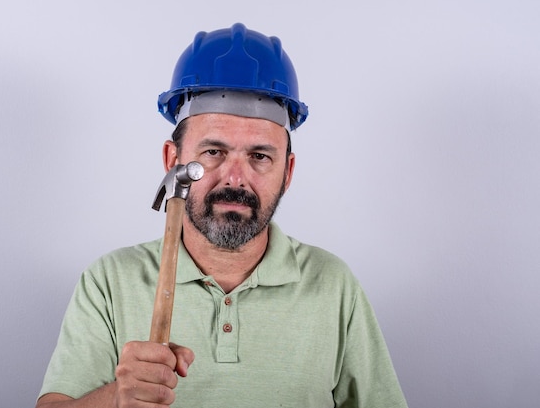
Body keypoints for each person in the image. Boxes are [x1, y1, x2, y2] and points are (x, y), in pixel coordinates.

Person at [35, 23, 408, 408]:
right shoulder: (110, 281)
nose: (235, 178)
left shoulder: (334, 286)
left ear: (288, 171)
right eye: (213, 152)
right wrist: (116, 398)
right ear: (172, 160)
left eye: (260, 156)